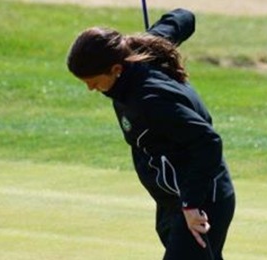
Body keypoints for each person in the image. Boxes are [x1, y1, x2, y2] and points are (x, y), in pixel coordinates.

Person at [67, 8, 235, 260]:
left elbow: (208, 142)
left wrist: (191, 205)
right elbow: (184, 17)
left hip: (201, 199)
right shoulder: (138, 51)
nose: (91, 88)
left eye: (93, 81)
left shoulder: (151, 99)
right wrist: (153, 37)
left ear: (115, 69)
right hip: (173, 200)